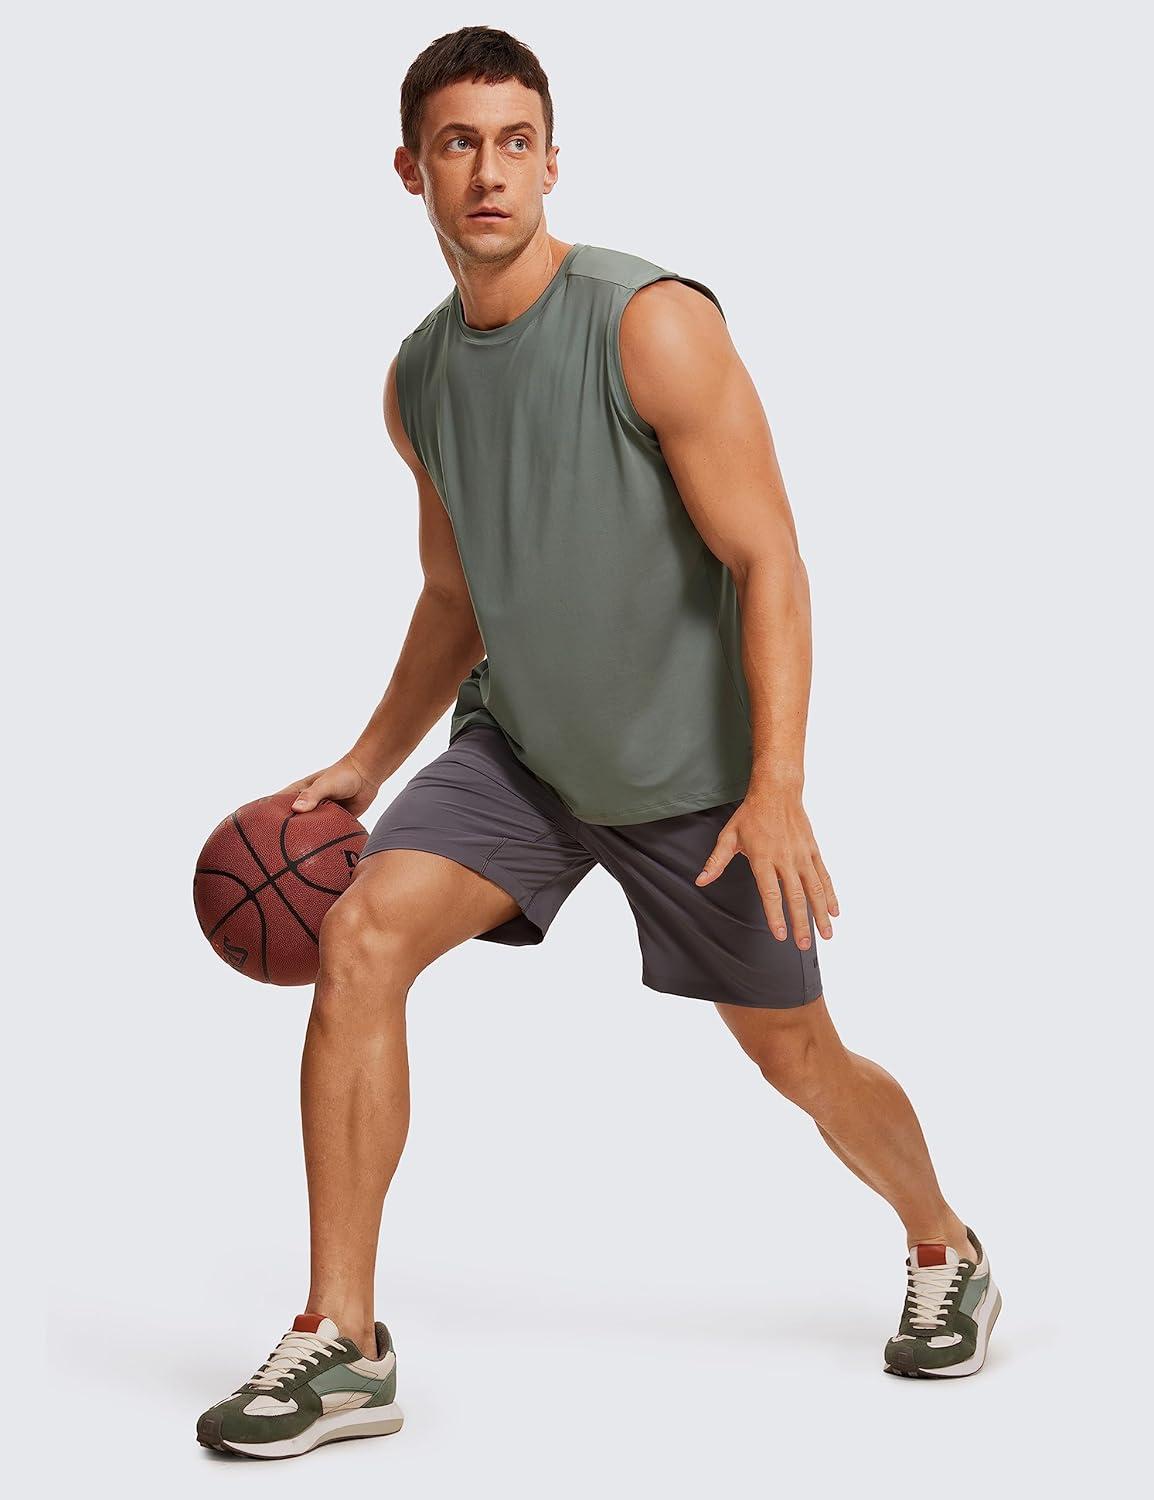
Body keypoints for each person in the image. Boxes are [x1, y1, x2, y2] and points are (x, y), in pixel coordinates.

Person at [196, 24, 1000, 1460]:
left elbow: (769, 559)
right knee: (361, 934)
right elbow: (457, 596)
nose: (487, 173)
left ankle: (944, 1243)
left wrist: (778, 787)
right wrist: (368, 762)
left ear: (552, 162)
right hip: (523, 755)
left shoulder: (650, 324)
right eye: (458, 144)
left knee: (799, 1057)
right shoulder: (418, 378)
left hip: (693, 782)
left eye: (514, 142)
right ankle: (344, 1342)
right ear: (410, 171)